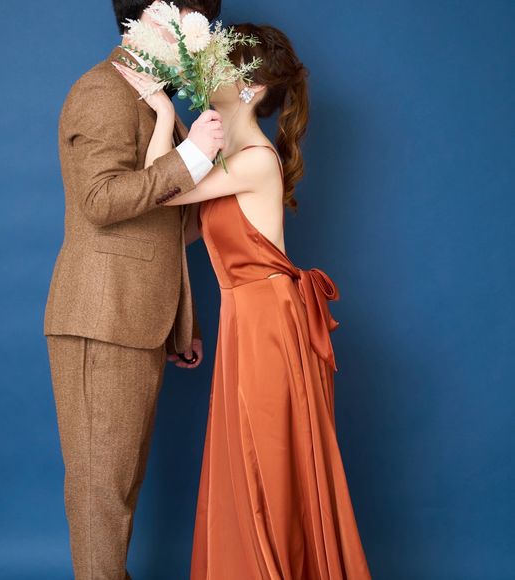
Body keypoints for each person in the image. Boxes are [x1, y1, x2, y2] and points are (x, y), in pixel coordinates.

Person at [115, 22, 372, 579]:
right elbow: (169, 209)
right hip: (247, 318)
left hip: (267, 321)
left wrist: (162, 112)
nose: (206, 73)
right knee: (249, 460)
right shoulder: (224, 156)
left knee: (266, 463)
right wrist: (174, 129)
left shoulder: (255, 159)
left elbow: (161, 189)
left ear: (250, 88)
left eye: (221, 64)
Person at [43, 1, 223, 578]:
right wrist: (191, 157)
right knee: (103, 492)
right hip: (101, 317)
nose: (196, 44)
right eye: (190, 26)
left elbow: (161, 227)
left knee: (119, 488)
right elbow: (100, 201)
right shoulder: (103, 90)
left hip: (135, 319)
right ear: (146, 18)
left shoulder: (153, 99)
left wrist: (181, 320)